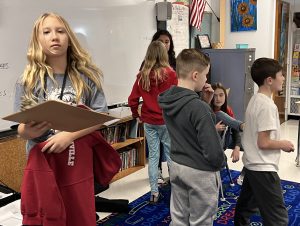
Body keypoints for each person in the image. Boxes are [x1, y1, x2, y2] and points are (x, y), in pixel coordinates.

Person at [14, 12, 108, 225]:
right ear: (38, 40)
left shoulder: (87, 77)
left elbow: (99, 118)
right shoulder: (28, 80)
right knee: (48, 216)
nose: (54, 37)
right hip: (43, 164)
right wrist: (29, 131)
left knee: (78, 214)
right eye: (46, 32)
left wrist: (68, 136)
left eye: (60, 31)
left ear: (69, 38)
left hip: (77, 164)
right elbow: (21, 128)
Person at [158, 49, 224, 225]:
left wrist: (204, 102)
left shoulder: (168, 100)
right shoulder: (199, 108)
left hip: (178, 166)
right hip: (199, 171)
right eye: (205, 75)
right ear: (195, 75)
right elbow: (212, 150)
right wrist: (220, 162)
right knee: (201, 220)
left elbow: (186, 123)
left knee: (179, 217)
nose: (206, 80)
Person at [234, 58, 294, 226]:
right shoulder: (267, 106)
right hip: (263, 168)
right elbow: (264, 142)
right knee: (278, 218)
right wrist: (284, 144)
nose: (283, 78)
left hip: (252, 165)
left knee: (245, 209)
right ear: (269, 80)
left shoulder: (255, 99)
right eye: (281, 75)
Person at [128, 40, 177, 203]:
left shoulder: (142, 75)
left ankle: (154, 192)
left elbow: (132, 99)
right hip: (166, 121)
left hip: (149, 121)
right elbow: (176, 98)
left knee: (154, 157)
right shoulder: (170, 74)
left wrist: (137, 115)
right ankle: (177, 189)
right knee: (171, 154)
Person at [211, 82, 243, 163]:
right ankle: (243, 126)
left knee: (247, 145)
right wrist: (213, 129)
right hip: (211, 145)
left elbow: (235, 131)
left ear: (225, 96)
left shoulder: (228, 110)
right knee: (219, 114)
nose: (218, 98)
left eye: (221, 95)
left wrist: (237, 147)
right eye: (214, 95)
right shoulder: (206, 109)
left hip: (226, 140)